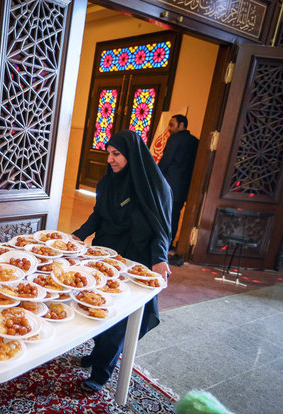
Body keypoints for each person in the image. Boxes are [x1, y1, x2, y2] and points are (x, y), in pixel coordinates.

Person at [72, 130, 172, 391]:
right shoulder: (108, 183)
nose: (110, 160)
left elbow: (161, 227)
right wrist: (77, 236)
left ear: (132, 155)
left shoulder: (154, 186)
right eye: (108, 154)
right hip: (105, 254)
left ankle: (101, 372)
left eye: (116, 154)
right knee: (97, 306)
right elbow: (98, 215)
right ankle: (97, 353)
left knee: (118, 316)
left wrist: (160, 258)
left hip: (135, 259)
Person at [158, 114, 199, 264]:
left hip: (169, 185)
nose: (169, 128)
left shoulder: (174, 140)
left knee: (164, 215)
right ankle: (169, 244)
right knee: (174, 216)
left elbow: (166, 161)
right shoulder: (195, 141)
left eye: (171, 125)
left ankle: (161, 244)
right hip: (184, 186)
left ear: (182, 125)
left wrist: (155, 175)